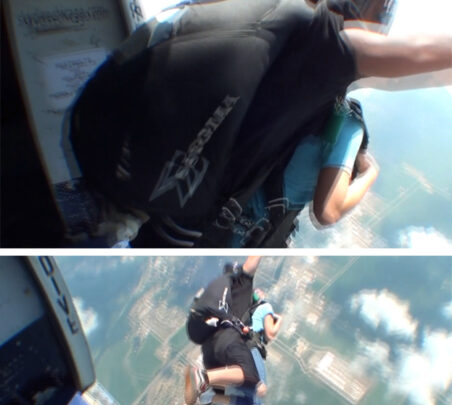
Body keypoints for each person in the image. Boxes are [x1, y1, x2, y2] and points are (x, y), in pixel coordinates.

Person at [69, 0, 452, 247]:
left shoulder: (267, 15)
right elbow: (423, 54)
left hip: (124, 170)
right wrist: (370, 173)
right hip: (188, 223)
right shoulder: (324, 46)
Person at [158, 257, 282, 405]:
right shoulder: (265, 307)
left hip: (217, 346)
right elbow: (270, 333)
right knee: (255, 401)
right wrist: (279, 319)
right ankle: (204, 380)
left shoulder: (238, 303)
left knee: (214, 395)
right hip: (246, 347)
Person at [228, 95, 378, 246]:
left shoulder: (305, 88)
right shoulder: (348, 123)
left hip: (227, 190)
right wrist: (371, 173)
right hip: (244, 225)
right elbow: (328, 211)